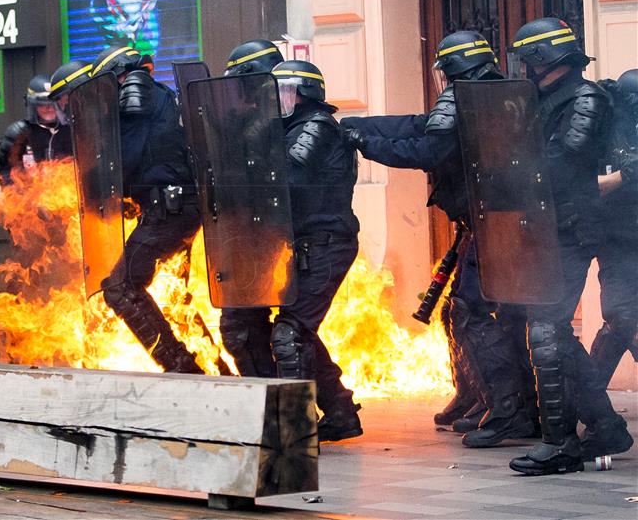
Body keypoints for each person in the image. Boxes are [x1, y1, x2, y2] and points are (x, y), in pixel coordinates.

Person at [342, 32, 536, 448]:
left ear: (452, 69)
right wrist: (359, 125)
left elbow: (427, 149)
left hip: (494, 224)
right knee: (467, 312)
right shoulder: (491, 92)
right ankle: (480, 397)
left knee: (473, 312)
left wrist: (364, 143)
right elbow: (418, 124)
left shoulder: (462, 95)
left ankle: (509, 408)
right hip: (496, 221)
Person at [506, 18, 633, 476]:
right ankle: (603, 425)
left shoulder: (585, 98)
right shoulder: (540, 100)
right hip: (545, 227)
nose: (522, 67)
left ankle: (560, 444)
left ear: (543, 58)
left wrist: (515, 170)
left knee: (546, 329)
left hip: (572, 229)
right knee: (549, 330)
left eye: (526, 57)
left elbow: (565, 159)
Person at [88, 46, 203, 374]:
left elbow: (125, 159)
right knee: (177, 300)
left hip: (169, 212)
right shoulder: (164, 96)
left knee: (119, 286)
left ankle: (182, 369)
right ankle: (216, 370)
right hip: (178, 208)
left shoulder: (136, 99)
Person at [268, 60, 363, 442]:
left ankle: (295, 434)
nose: (277, 101)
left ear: (304, 94)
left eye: (284, 91)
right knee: (298, 330)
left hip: (328, 243)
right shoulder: (292, 127)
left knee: (289, 335)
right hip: (307, 245)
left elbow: (290, 175)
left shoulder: (317, 126)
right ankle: (339, 411)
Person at [217, 39, 284, 379]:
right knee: (252, 324)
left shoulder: (274, 115)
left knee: (242, 324)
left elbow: (262, 174)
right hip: (252, 229)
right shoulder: (253, 114)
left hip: (266, 230)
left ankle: (274, 405)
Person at [590, 69, 638, 389]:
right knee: (621, 318)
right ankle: (587, 400)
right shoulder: (602, 135)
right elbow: (587, 188)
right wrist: (626, 175)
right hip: (617, 242)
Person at [0, 73, 74, 183]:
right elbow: (6, 174)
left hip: (65, 192)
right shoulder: (19, 133)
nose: (50, 108)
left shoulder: (70, 131)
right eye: (43, 104)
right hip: (30, 194)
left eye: (54, 104)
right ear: (33, 106)